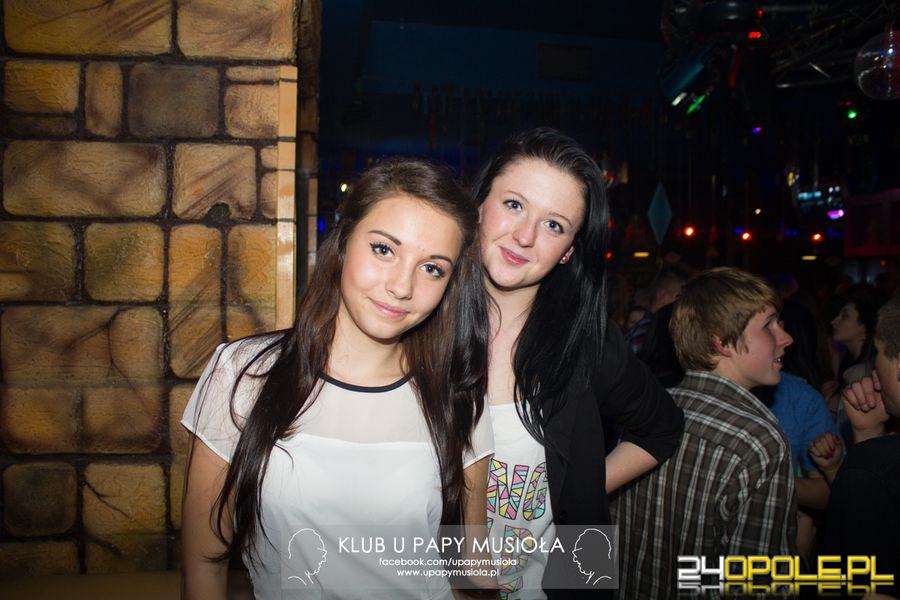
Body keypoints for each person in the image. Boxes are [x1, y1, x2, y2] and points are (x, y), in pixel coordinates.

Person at [180, 158, 494, 599]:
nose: (402, 286)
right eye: (384, 249)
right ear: (345, 240)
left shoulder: (456, 397)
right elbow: (203, 562)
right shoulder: (244, 374)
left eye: (432, 268)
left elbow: (474, 572)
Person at [472, 127, 684, 599]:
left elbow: (662, 428)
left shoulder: (584, 341)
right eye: (514, 204)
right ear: (479, 205)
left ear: (568, 250)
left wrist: (579, 488)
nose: (525, 236)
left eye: (554, 225)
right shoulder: (421, 323)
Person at [612, 267, 798, 599]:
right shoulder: (759, 441)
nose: (786, 337)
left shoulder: (648, 410)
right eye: (769, 325)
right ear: (721, 341)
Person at [810, 294, 900, 598]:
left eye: (879, 354)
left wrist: (865, 457)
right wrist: (867, 435)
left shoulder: (874, 467)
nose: (874, 373)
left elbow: (861, 584)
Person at [624, 262, 693, 354]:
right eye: (679, 298)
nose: (683, 304)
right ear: (662, 296)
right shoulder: (647, 332)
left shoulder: (658, 330)